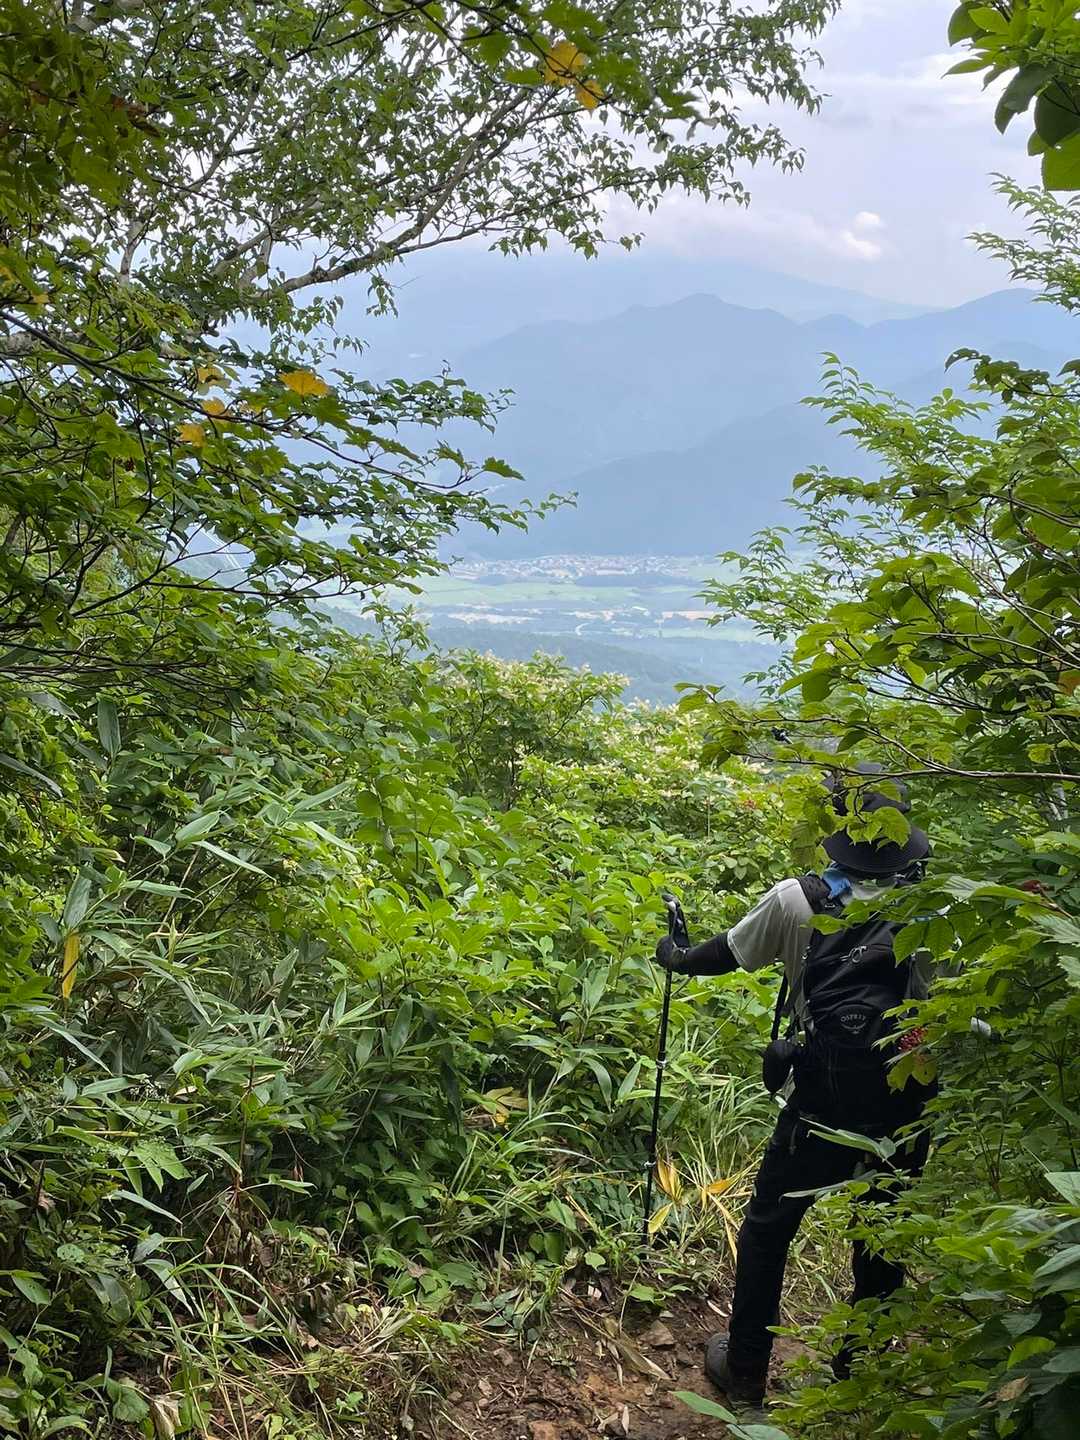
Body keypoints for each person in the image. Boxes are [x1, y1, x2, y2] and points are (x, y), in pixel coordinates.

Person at [654, 765, 934, 1407]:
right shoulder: (933, 909)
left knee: (769, 1226)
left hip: (821, 1094)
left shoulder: (796, 900)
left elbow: (726, 953)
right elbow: (943, 1004)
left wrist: (675, 956)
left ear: (839, 830)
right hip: (903, 1097)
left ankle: (746, 1369)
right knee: (882, 1229)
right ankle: (859, 1373)